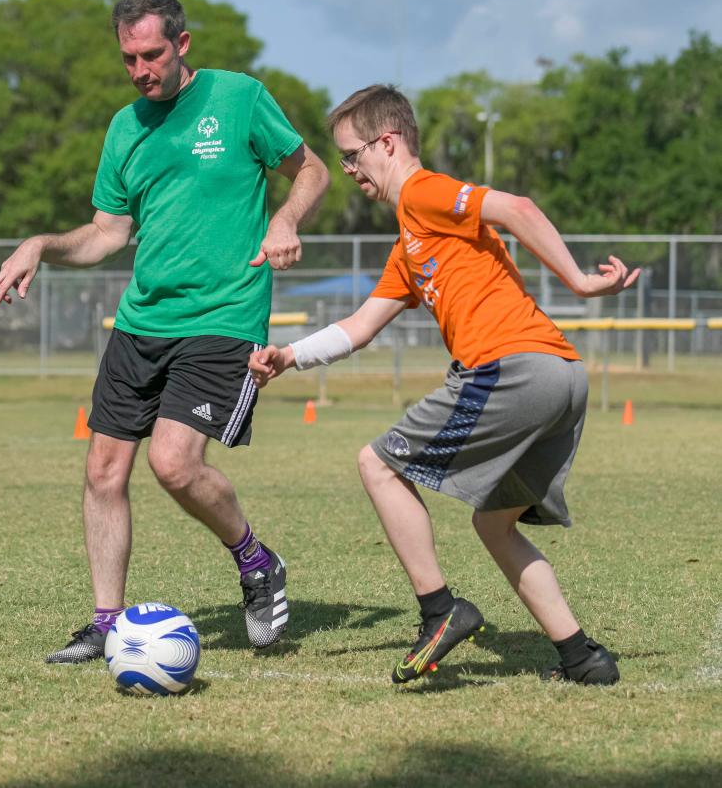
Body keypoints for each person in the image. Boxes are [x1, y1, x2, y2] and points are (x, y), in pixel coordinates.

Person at [0, 0, 331, 664]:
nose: (141, 70)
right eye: (129, 59)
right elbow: (107, 233)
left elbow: (310, 169)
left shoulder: (239, 98)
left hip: (224, 315)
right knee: (103, 468)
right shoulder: (124, 127)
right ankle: (106, 622)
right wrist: (41, 245)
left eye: (152, 54)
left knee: (174, 463)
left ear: (182, 45)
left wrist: (284, 219)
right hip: (144, 318)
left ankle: (257, 561)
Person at [249, 84, 638, 685]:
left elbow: (520, 208)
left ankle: (440, 611)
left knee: (378, 465)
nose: (350, 169)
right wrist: (288, 357)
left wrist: (580, 284)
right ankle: (583, 657)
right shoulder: (409, 243)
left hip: (513, 368)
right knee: (493, 523)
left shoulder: (425, 192)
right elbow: (360, 326)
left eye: (353, 155)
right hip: (562, 377)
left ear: (388, 142)